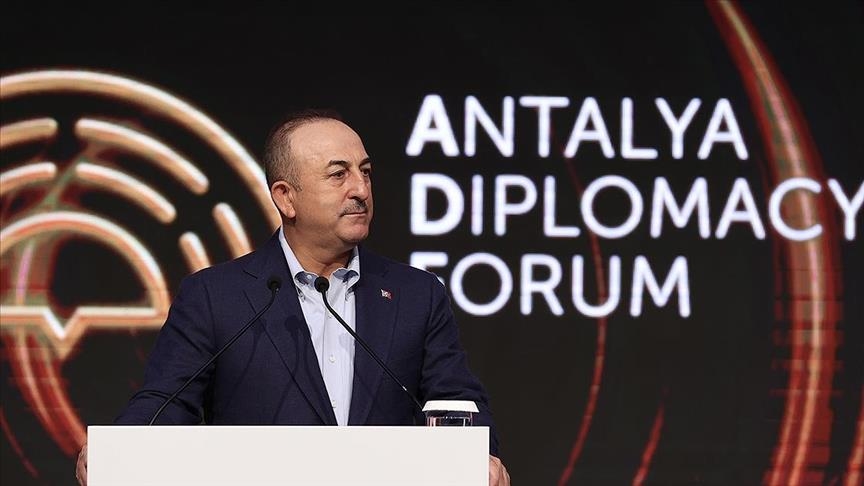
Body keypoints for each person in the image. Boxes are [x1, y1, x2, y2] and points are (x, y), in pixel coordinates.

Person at [75, 109, 510, 485]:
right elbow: (165, 403)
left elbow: (458, 402)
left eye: (365, 172)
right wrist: (118, 449)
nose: (361, 189)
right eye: (338, 174)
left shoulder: (416, 295)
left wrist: (482, 455)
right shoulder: (216, 297)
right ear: (286, 197)